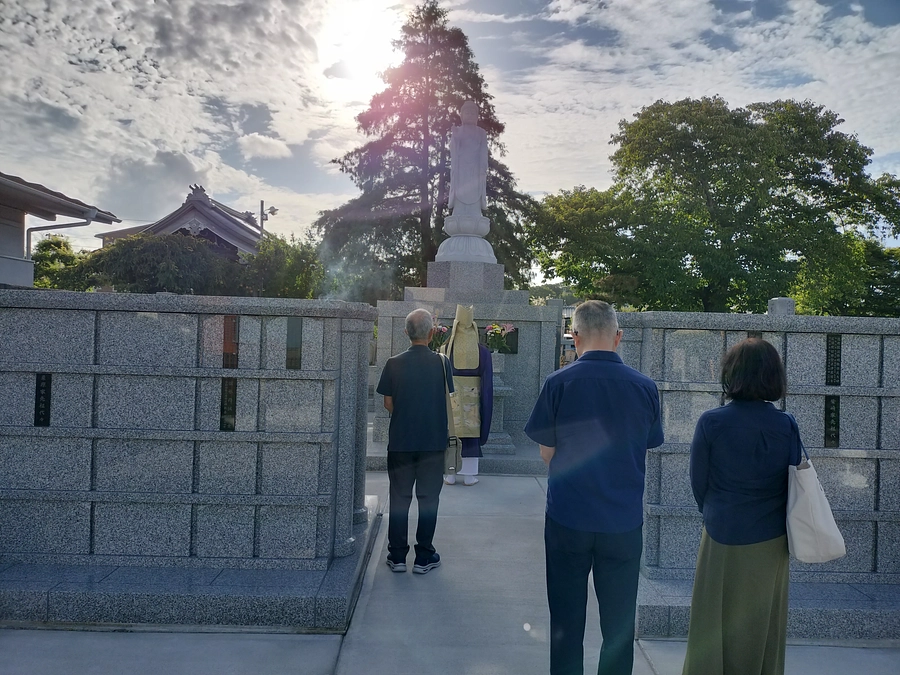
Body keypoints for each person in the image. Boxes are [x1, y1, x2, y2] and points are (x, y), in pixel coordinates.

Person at [525, 300, 664, 675]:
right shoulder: (645, 387)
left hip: (568, 516)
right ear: (618, 336)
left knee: (566, 622)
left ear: (574, 336)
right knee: (618, 626)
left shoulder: (558, 383)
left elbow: (546, 452)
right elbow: (648, 443)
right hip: (622, 520)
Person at [681, 338, 802, 675]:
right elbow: (793, 483)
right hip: (771, 538)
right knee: (763, 626)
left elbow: (698, 483)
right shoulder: (786, 424)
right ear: (773, 376)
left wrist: (716, 511)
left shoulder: (712, 422)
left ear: (731, 373)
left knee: (711, 620)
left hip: (721, 530)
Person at [376, 308, 451, 575]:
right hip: (433, 442)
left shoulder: (393, 362)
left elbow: (387, 402)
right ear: (432, 334)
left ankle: (397, 556)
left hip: (400, 441)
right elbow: (447, 398)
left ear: (406, 332)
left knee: (399, 498)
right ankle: (424, 556)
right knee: (428, 499)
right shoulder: (442, 363)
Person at [440, 304, 493, 486]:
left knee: (451, 434)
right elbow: (487, 383)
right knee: (471, 435)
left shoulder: (445, 349)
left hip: (451, 398)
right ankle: (470, 476)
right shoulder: (483, 352)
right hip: (474, 400)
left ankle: (450, 474)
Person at [448, 100, 489, 222]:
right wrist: (455, 137)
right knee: (460, 190)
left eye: (473, 113)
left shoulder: (481, 133)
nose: (470, 114)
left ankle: (475, 212)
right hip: (461, 169)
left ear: (477, 116)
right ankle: (458, 211)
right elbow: (453, 149)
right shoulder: (459, 131)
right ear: (461, 115)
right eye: (467, 112)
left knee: (474, 190)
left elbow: (483, 151)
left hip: (475, 169)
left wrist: (483, 168)